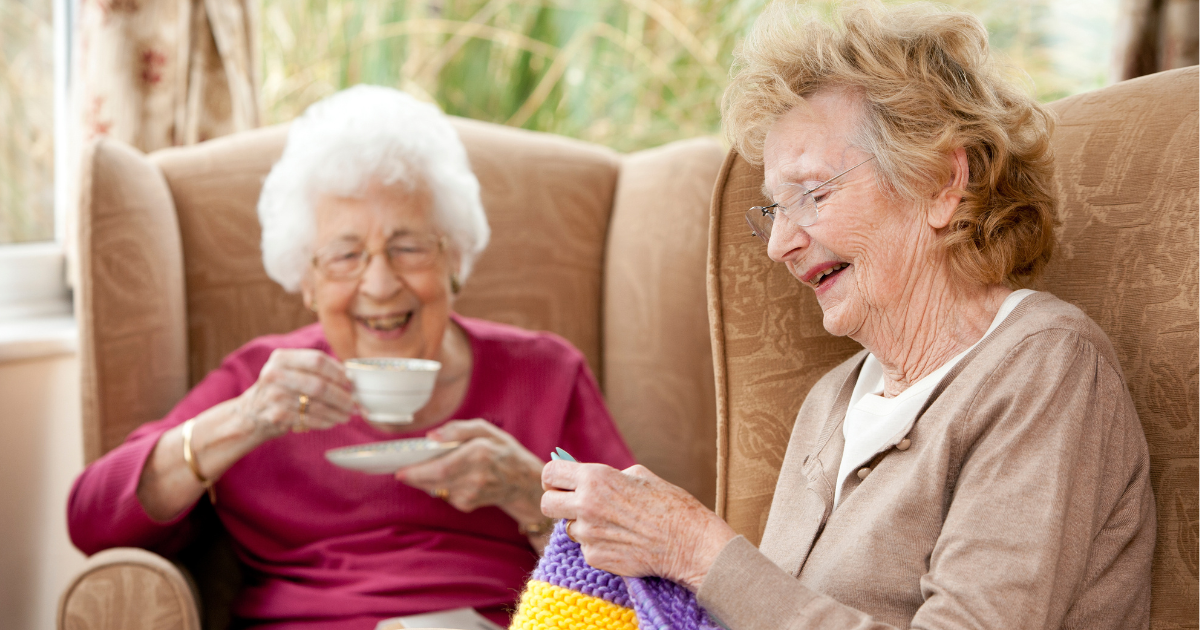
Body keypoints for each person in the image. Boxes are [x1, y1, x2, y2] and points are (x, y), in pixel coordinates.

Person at [540, 3, 1156, 629]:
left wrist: (695, 549)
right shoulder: (831, 402)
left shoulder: (1045, 368)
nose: (780, 244)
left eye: (812, 194)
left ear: (943, 182)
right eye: (773, 209)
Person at [68, 85, 636, 630]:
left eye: (409, 246)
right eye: (345, 255)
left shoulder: (545, 373)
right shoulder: (260, 381)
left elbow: (643, 567)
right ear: (307, 281)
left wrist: (524, 494)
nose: (381, 284)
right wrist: (243, 420)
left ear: (454, 260)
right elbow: (91, 518)